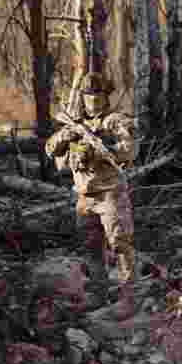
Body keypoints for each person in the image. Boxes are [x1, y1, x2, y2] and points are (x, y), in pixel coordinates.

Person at [45, 72, 138, 321]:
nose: (93, 101)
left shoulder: (115, 121)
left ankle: (129, 299)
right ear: (82, 98)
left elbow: (129, 150)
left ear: (106, 96)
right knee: (90, 248)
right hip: (85, 196)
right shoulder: (74, 124)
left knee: (120, 244)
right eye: (88, 96)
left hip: (110, 194)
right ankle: (98, 294)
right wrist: (66, 139)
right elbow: (50, 150)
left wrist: (98, 151)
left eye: (98, 95)